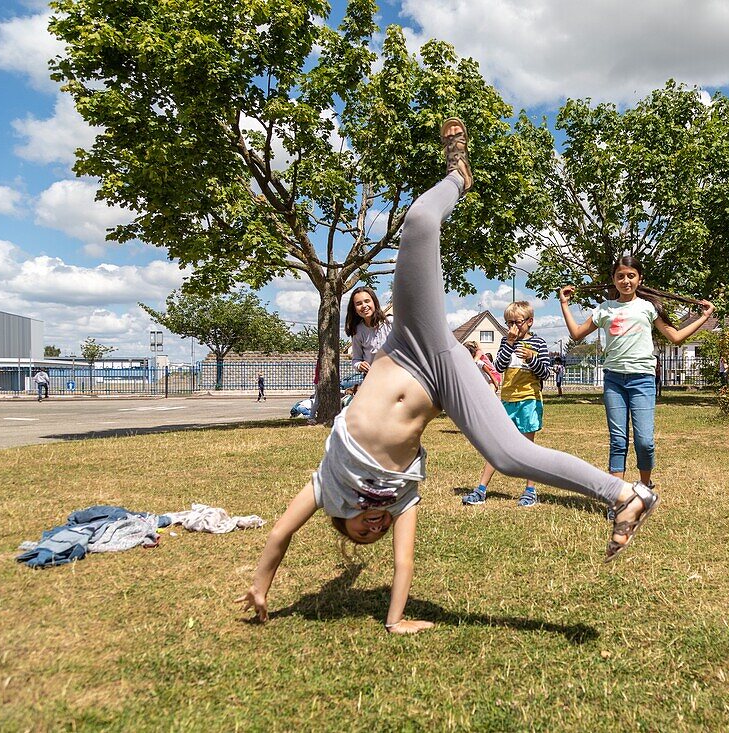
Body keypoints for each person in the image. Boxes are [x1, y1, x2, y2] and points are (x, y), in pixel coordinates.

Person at [237, 119, 659, 634]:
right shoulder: (401, 496)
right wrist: (395, 622)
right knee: (506, 456)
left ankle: (457, 175)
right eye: (377, 532)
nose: (372, 527)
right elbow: (404, 565)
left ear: (341, 519)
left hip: (410, 343)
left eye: (360, 530)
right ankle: (625, 496)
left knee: (418, 222)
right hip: (443, 380)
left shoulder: (329, 487)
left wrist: (261, 583)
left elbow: (280, 533)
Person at [559, 256, 715, 491]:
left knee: (644, 441)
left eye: (631, 276)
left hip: (642, 379)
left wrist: (704, 317)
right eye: (620, 276)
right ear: (613, 280)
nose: (625, 281)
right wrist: (564, 305)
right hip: (614, 380)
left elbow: (675, 336)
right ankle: (617, 495)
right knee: (618, 441)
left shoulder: (648, 307)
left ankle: (644, 488)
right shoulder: (605, 309)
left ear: (640, 279)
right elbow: (577, 334)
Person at [463, 302, 550, 508]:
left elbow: (545, 373)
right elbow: (499, 367)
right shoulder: (505, 341)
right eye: (508, 323)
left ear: (529, 322)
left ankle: (530, 490)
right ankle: (481, 489)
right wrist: (509, 344)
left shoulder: (538, 343)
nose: (513, 327)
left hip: (529, 399)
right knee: (497, 444)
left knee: (527, 447)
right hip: (508, 400)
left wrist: (531, 359)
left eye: (517, 322)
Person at [344, 286, 393, 385]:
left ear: (374, 302)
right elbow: (356, 360)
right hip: (372, 380)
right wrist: (359, 365)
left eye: (367, 301)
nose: (364, 306)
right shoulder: (357, 331)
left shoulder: (391, 323)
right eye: (358, 304)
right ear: (354, 309)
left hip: (395, 376)